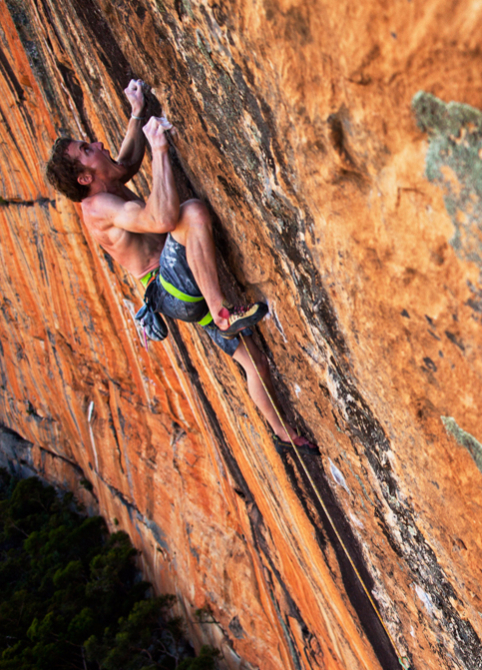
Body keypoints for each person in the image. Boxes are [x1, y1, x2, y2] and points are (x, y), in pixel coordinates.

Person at [44, 78, 316, 452]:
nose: (98, 144)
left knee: (254, 361)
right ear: (84, 177)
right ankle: (223, 312)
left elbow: (125, 164)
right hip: (171, 285)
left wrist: (137, 113)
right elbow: (162, 219)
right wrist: (159, 149)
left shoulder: (104, 183)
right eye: (87, 149)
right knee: (191, 213)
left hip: (179, 290)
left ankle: (284, 436)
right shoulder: (99, 208)